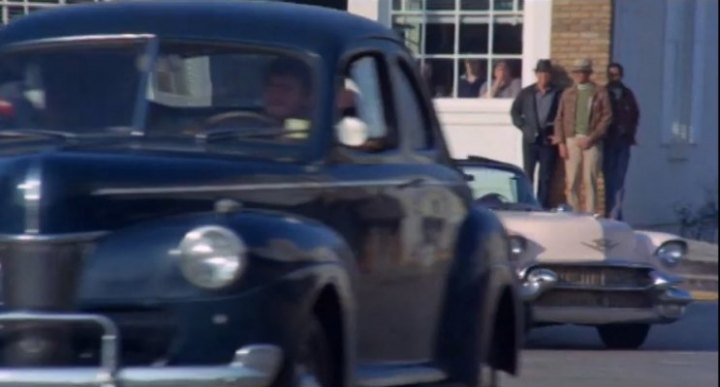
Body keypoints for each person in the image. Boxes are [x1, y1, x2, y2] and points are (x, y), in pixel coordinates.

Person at [553, 58, 612, 214]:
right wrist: (561, 143)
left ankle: (591, 213)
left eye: (582, 72)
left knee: (590, 180)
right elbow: (559, 117)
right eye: (577, 72)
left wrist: (592, 137)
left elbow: (607, 117)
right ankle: (574, 213)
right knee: (572, 181)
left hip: (592, 141)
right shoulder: (568, 93)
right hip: (572, 139)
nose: (579, 75)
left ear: (588, 73)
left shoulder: (599, 92)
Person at [510, 59, 561, 208]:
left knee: (545, 177)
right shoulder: (526, 93)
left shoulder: (558, 93)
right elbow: (515, 112)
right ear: (536, 75)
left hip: (548, 140)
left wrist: (558, 135)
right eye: (540, 73)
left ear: (550, 75)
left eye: (546, 74)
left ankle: (542, 205)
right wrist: (524, 127)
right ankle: (526, 204)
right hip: (530, 140)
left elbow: (563, 115)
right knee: (528, 174)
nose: (543, 77)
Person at [604, 62, 640, 220]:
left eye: (616, 74)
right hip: (607, 142)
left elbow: (635, 115)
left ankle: (616, 215)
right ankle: (608, 212)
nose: (613, 77)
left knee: (619, 179)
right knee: (608, 179)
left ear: (621, 75)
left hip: (623, 142)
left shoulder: (627, 94)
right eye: (611, 75)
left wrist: (630, 132)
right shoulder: (603, 93)